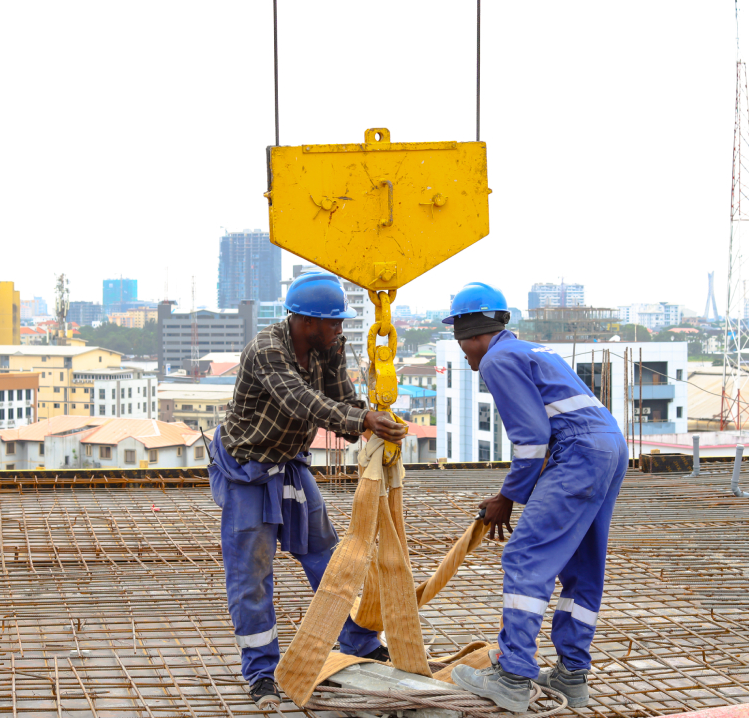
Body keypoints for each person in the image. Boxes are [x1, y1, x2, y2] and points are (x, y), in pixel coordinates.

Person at [208, 271, 407, 709]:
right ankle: (261, 672)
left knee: (328, 557)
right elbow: (302, 401)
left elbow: (340, 397)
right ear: (306, 321)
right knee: (251, 574)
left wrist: (371, 423)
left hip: (289, 463)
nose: (340, 329)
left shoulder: (328, 347)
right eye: (334, 322)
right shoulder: (267, 350)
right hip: (247, 470)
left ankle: (360, 642)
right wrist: (362, 420)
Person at [445, 282, 628, 713]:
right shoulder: (530, 350)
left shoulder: (497, 359)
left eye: (460, 341)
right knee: (582, 566)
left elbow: (531, 439)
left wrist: (507, 497)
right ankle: (572, 674)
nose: (464, 354)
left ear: (470, 332)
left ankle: (512, 676)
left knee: (525, 557)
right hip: (609, 445)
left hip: (579, 452)